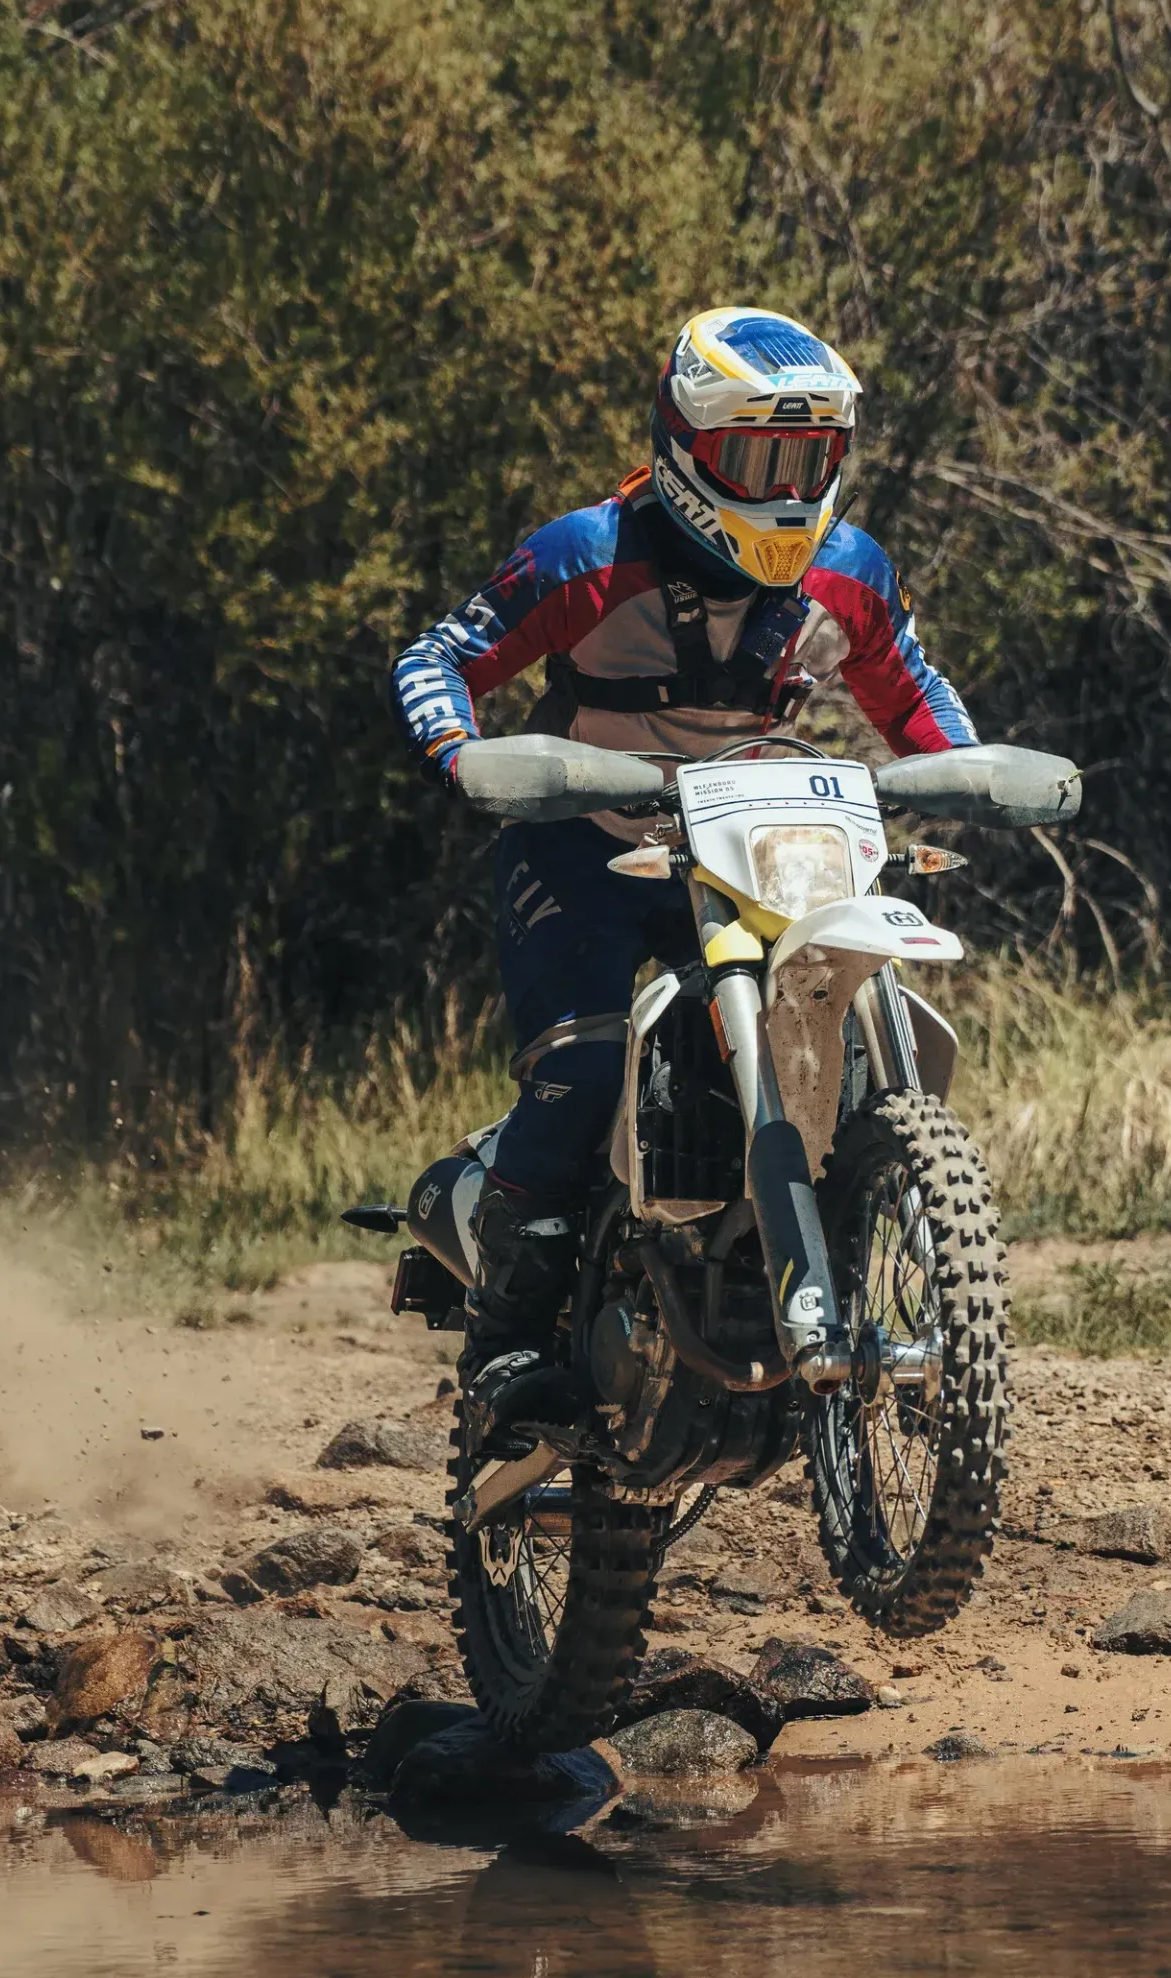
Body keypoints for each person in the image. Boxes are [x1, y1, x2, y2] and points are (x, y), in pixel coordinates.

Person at [390, 305, 978, 1386]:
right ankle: (510, 1348)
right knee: (582, 1065)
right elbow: (440, 657)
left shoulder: (848, 572)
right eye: (757, 458)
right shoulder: (587, 556)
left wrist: (967, 770)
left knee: (816, 1034)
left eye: (812, 460)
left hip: (744, 857)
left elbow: (914, 690)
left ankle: (773, 1262)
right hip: (583, 854)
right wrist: (461, 754)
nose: (787, 491)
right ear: (684, 448)